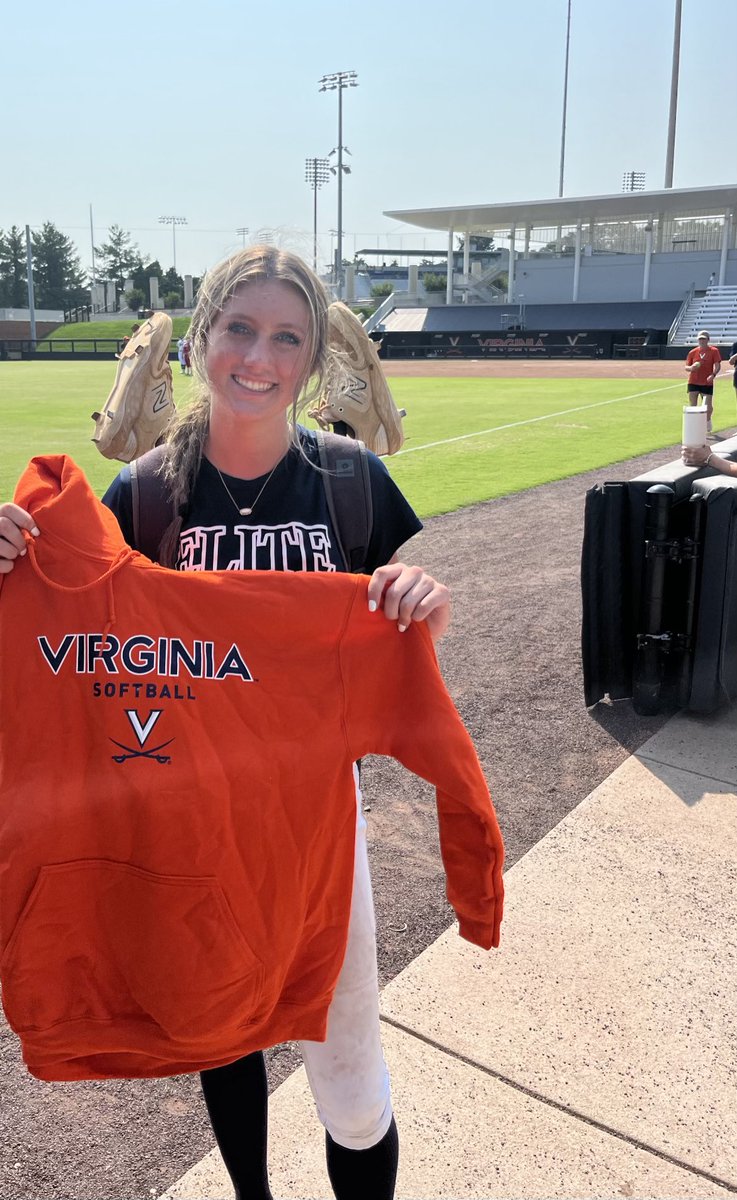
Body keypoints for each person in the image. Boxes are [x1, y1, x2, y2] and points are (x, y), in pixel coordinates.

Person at [0, 245, 457, 1200]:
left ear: (310, 354)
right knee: (223, 1031)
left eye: (286, 336)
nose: (259, 356)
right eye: (238, 329)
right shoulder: (146, 495)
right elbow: (81, 642)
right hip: (190, 820)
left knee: (351, 1079)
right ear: (201, 339)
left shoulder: (348, 482)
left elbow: (400, 646)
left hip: (316, 828)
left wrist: (424, 604)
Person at [685, 330, 721, 434]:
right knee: (693, 406)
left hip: (706, 382)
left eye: (704, 339)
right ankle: (695, 429)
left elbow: (717, 365)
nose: (702, 341)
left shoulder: (714, 351)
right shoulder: (693, 352)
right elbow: (686, 367)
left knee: (707, 407)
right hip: (693, 381)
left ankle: (708, 420)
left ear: (708, 340)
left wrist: (713, 374)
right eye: (700, 339)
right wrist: (691, 368)